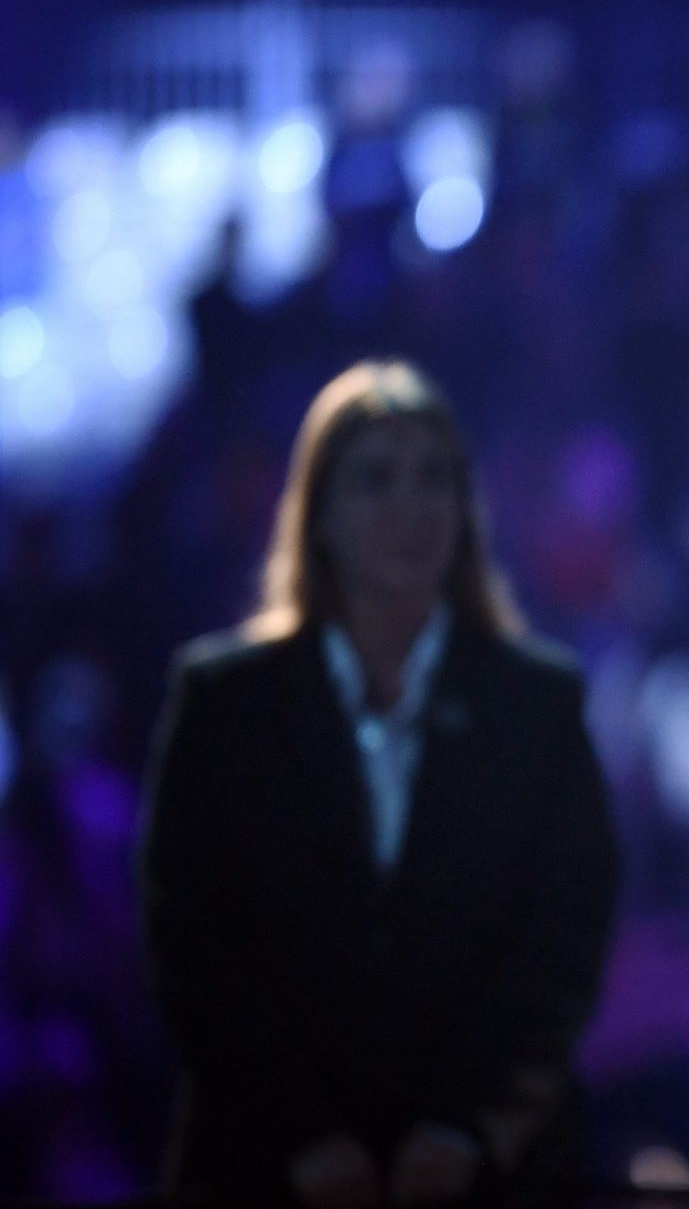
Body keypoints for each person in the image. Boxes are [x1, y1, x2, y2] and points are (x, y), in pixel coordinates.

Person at [140, 360, 617, 1208]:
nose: (410, 505)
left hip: (489, 1175)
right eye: (375, 479)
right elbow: (191, 943)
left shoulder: (538, 703)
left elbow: (564, 940)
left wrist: (467, 1129)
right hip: (261, 1172)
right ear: (317, 513)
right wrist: (299, 1135)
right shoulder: (223, 702)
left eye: (434, 478)